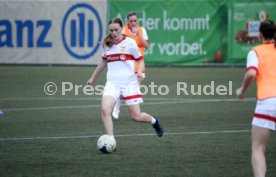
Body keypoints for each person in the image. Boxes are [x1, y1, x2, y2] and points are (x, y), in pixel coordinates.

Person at [87, 18, 163, 138]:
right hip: (112, 84)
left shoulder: (130, 42)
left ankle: (153, 120)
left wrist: (140, 71)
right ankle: (111, 139)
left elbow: (140, 60)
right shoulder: (107, 44)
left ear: (121, 29)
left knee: (136, 116)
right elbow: (103, 62)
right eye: (111, 30)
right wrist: (92, 78)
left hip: (129, 84)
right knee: (105, 110)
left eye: (116, 30)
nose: (114, 32)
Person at [236, 20, 276, 177]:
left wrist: (241, 89)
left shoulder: (256, 51)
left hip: (267, 102)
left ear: (259, 35)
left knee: (258, 149)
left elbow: (252, 73)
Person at [112, 11, 149, 119]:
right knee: (124, 88)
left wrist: (138, 34)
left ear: (137, 21)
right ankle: (117, 107)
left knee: (134, 89)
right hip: (126, 64)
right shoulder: (123, 30)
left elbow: (146, 46)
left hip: (139, 65)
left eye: (135, 21)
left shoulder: (142, 30)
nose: (133, 23)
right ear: (127, 21)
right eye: (131, 21)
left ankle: (133, 112)